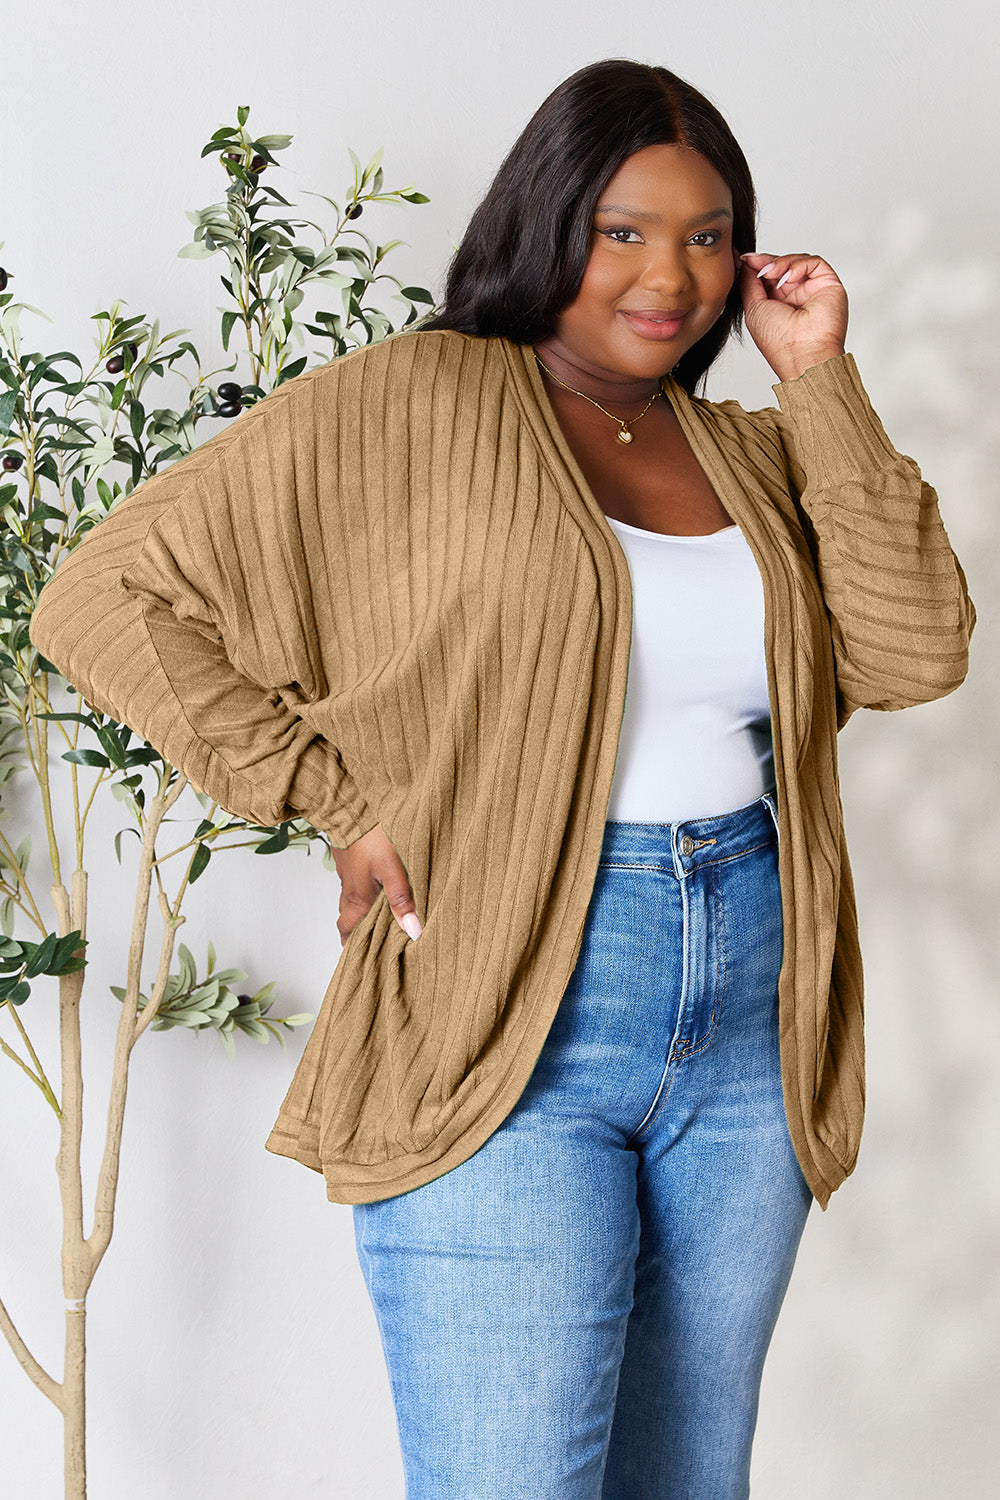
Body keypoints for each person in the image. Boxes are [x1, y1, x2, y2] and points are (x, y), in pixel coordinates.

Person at [29, 57, 974, 1500]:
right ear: (548, 223)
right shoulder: (410, 400)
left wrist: (821, 378)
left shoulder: (749, 449)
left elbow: (914, 650)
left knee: (690, 1481)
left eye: (709, 235)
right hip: (509, 997)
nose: (671, 277)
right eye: (624, 231)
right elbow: (104, 596)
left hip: (748, 1010)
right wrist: (329, 795)